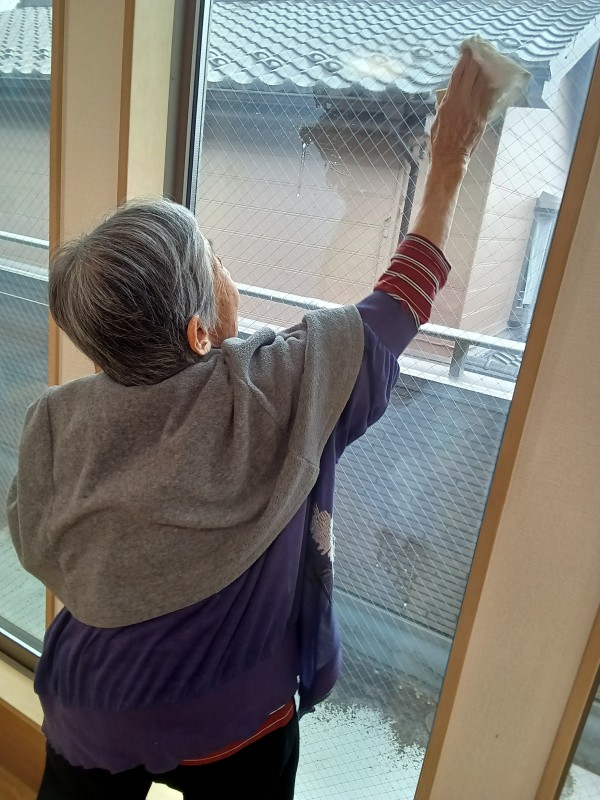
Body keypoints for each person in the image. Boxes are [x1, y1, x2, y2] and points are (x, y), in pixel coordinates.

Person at [8, 52, 493, 800]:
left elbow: (34, 539)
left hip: (93, 703)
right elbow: (403, 300)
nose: (226, 268)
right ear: (201, 332)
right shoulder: (282, 387)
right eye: (215, 259)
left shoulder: (53, 419)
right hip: (232, 718)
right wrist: (450, 162)